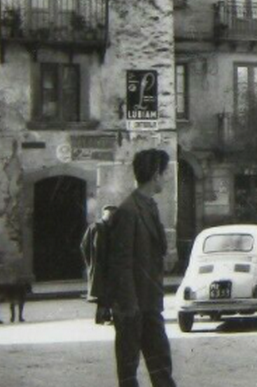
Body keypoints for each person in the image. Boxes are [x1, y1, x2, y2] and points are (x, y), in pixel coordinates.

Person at [107, 149, 177, 387]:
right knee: (129, 372)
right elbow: (121, 263)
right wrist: (130, 307)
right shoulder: (129, 211)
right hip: (133, 307)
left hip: (149, 302)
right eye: (165, 172)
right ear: (156, 174)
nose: (167, 177)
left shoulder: (148, 206)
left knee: (162, 365)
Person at [80, 205, 116, 325]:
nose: (112, 219)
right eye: (110, 216)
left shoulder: (113, 228)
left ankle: (106, 316)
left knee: (108, 293)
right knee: (102, 294)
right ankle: (102, 317)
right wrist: (90, 262)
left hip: (110, 266)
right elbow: (84, 246)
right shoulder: (96, 227)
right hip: (99, 266)